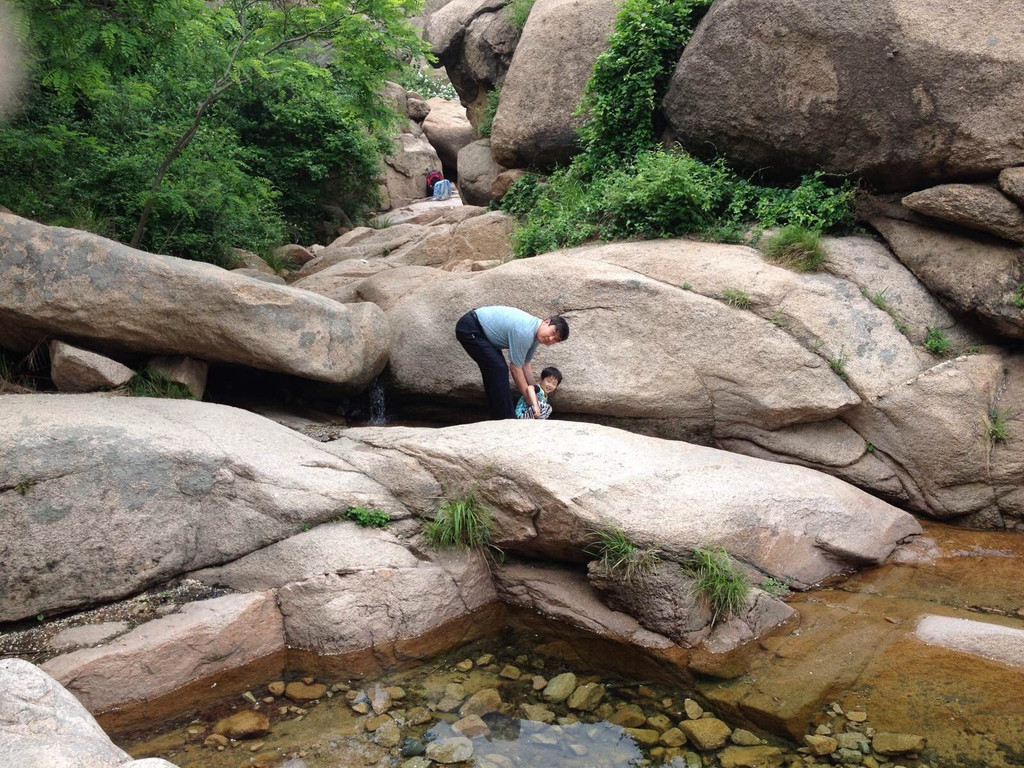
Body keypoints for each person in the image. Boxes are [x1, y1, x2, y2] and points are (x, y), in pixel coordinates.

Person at [455, 306, 569, 420]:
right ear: (546, 321)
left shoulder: (536, 336)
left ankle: (499, 416)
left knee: (496, 370)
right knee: (498, 369)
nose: (550, 339)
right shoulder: (525, 332)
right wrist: (529, 399)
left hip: (482, 333)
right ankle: (506, 419)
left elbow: (525, 364)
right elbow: (515, 368)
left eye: (555, 340)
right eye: (553, 332)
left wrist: (536, 391)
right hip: (471, 328)